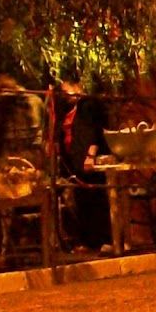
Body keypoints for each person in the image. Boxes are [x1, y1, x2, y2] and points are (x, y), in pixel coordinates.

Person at [58, 76, 110, 254]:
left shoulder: (87, 104)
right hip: (75, 160)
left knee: (95, 197)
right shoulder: (69, 108)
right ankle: (89, 241)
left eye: (67, 87)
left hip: (87, 158)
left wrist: (90, 155)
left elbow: (94, 131)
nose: (64, 92)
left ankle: (103, 239)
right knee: (82, 200)